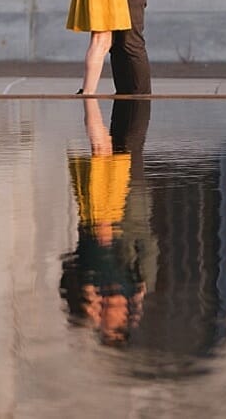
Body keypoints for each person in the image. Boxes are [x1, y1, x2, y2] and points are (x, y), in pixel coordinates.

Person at [59, 98, 152, 346]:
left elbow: (77, 272)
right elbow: (142, 276)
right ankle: (92, 107)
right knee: (112, 154)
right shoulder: (130, 289)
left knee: (100, 152)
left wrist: (94, 310)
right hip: (113, 215)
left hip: (94, 218)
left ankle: (91, 106)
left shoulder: (94, 291)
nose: (112, 318)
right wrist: (135, 311)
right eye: (116, 323)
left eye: (107, 325)